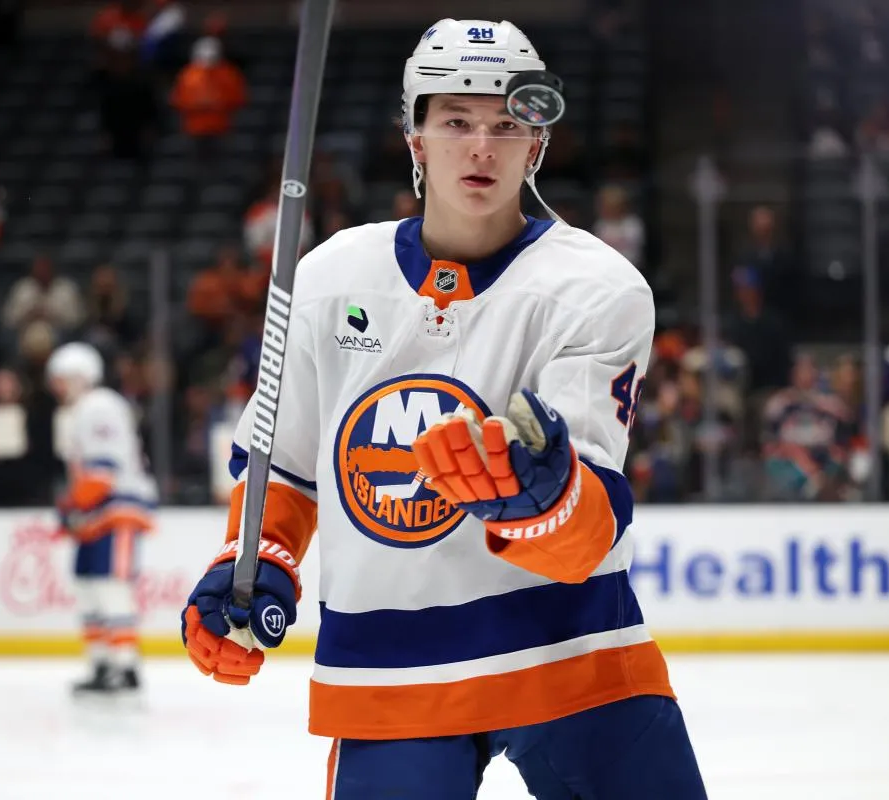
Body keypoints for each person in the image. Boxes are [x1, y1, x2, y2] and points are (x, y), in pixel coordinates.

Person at [180, 18, 707, 799]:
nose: (482, 148)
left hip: (570, 654)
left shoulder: (598, 288)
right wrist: (256, 562)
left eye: (507, 125)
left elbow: (589, 533)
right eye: (456, 122)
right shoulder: (327, 279)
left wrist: (546, 502)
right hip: (391, 673)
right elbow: (283, 473)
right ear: (416, 138)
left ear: (538, 142)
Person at [47, 342, 158, 700]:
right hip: (98, 512)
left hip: (114, 510)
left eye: (62, 379)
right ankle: (103, 663)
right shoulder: (85, 408)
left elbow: (102, 470)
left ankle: (123, 666)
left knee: (111, 586)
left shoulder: (98, 405)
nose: (57, 388)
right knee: (89, 586)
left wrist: (71, 504)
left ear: (79, 376)